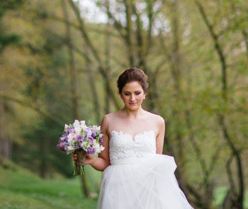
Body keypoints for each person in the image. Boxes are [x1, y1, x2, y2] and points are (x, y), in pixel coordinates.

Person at [77, 68, 194, 209]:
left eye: (137, 93)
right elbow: (106, 162)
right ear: (120, 94)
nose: (132, 99)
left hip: (149, 192)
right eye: (127, 94)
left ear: (144, 93)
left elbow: (157, 163)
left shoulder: (158, 122)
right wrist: (92, 160)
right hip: (118, 190)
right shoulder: (109, 120)